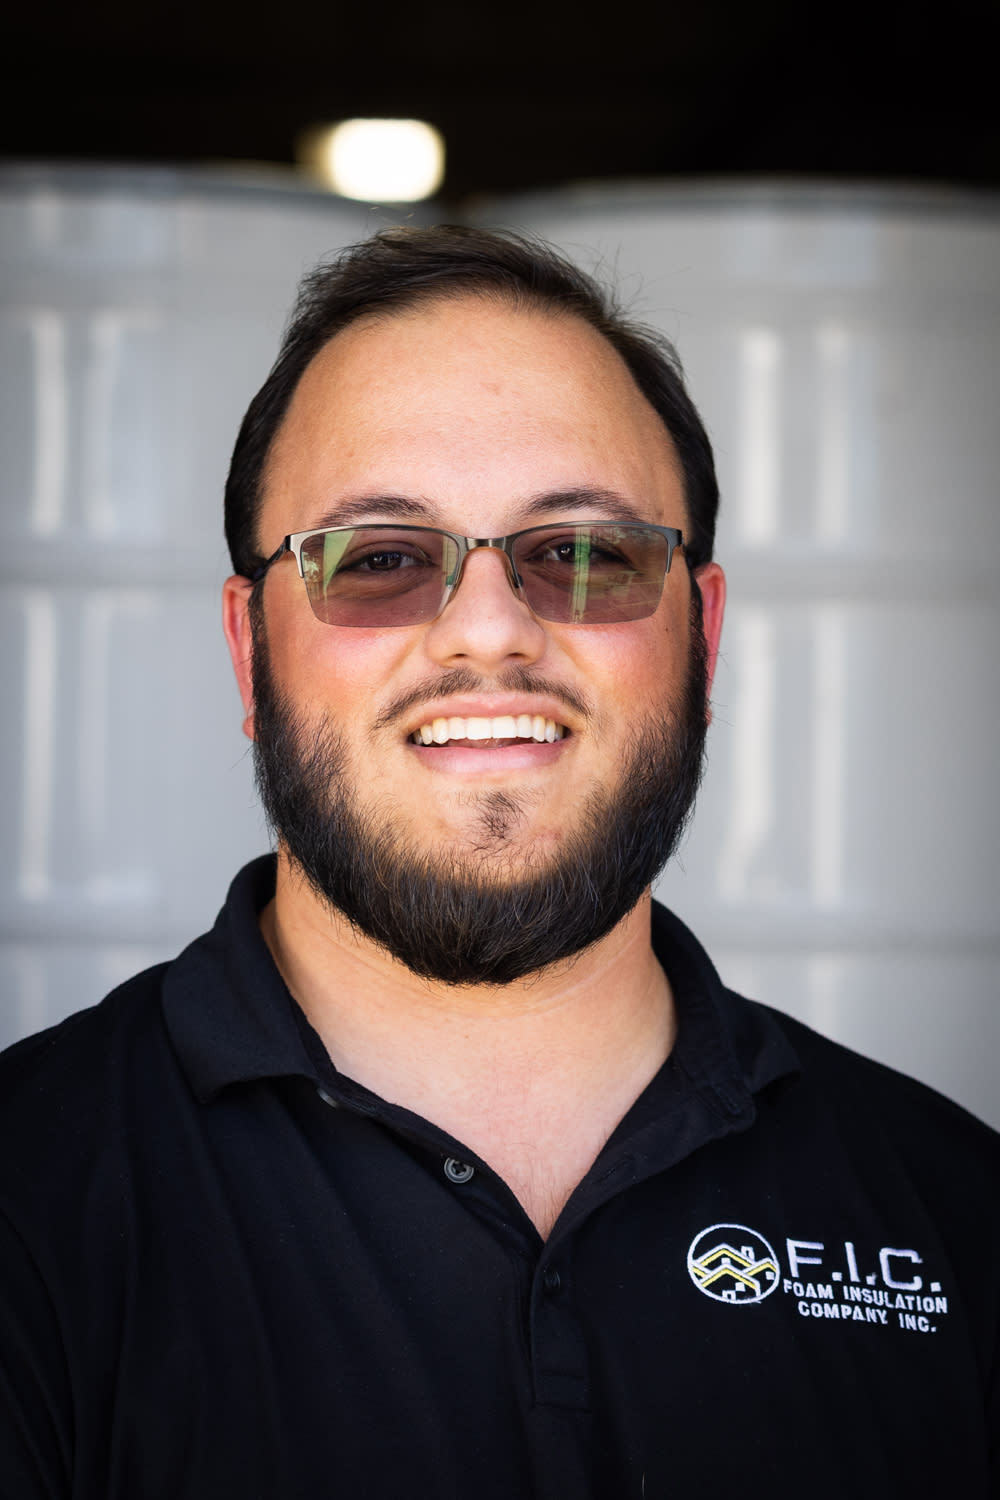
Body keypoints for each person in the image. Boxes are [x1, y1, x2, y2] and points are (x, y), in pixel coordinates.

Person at [0, 225, 996, 1500]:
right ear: (251, 652)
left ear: (703, 635)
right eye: (379, 559)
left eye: (582, 555)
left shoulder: (956, 1215)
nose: (487, 631)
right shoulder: (28, 1201)